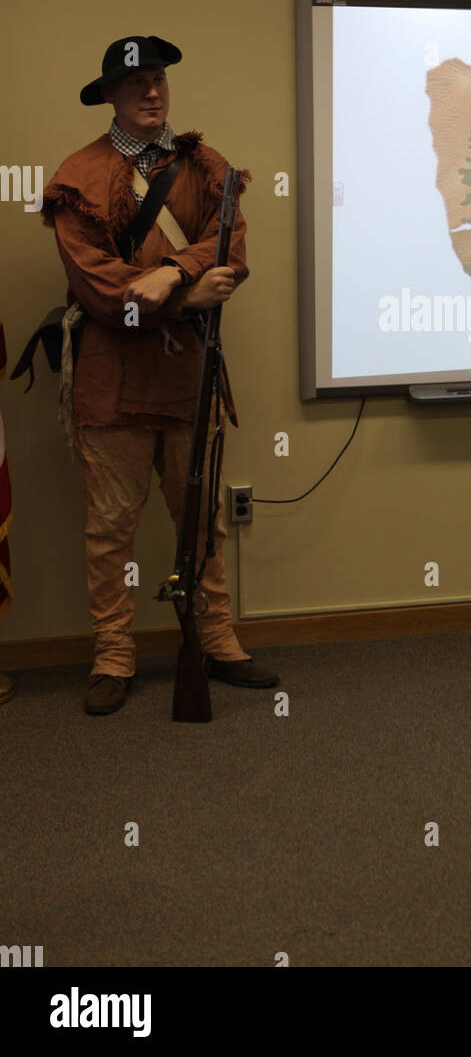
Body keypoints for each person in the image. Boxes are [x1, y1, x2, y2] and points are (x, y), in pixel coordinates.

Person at [40, 35, 278, 714]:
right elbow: (98, 288)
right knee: (110, 531)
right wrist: (186, 297)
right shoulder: (77, 176)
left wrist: (174, 272)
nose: (150, 92)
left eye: (159, 80)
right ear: (108, 95)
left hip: (187, 377)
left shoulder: (206, 166)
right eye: (134, 82)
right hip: (111, 379)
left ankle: (217, 639)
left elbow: (229, 246)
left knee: (201, 521)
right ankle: (113, 654)